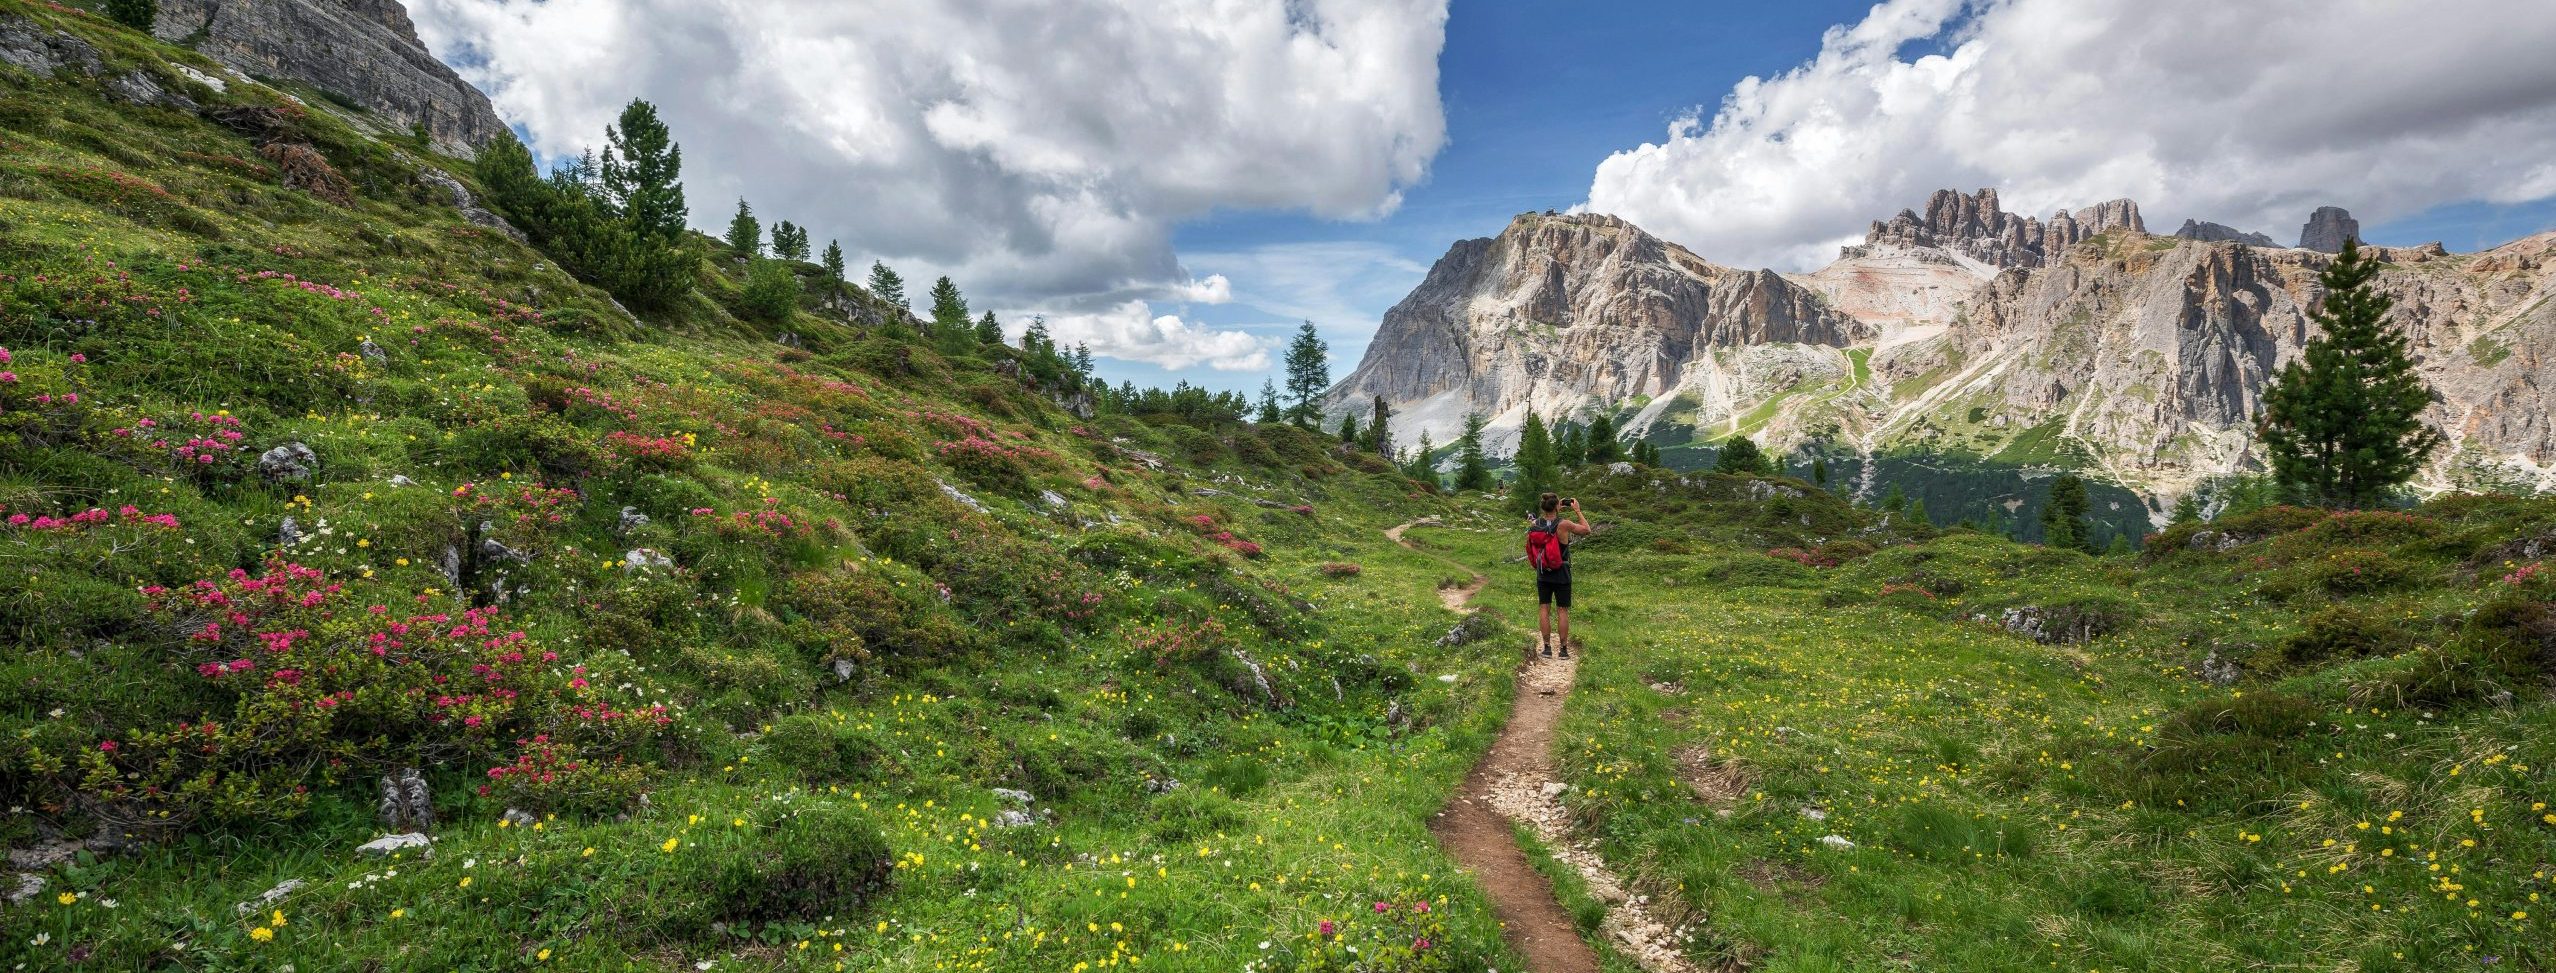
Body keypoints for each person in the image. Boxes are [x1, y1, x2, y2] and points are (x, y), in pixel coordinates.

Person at [1528, 493, 1590, 658]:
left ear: (1543, 507)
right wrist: (1577, 511)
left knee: (1544, 608)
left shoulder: (1535, 524)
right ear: (1556, 506)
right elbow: (1586, 530)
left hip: (1543, 573)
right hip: (1561, 572)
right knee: (1562, 610)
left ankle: (1547, 648)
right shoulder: (1563, 524)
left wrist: (1555, 508)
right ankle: (1563, 650)